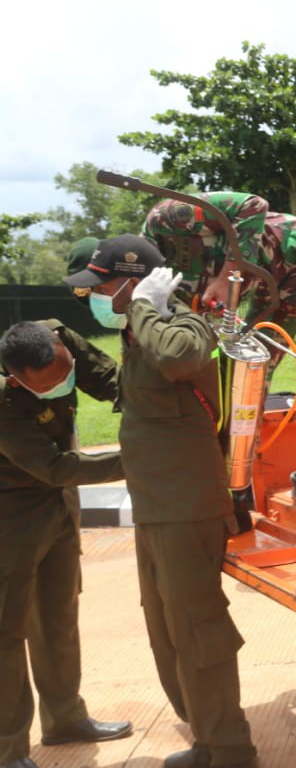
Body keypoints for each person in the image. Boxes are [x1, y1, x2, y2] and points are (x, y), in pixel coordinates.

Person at [64, 235, 257, 768]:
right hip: (155, 506)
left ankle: (232, 750)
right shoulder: (137, 332)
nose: (94, 298)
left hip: (187, 507)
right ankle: (205, 737)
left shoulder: (182, 323)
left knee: (198, 631)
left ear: (135, 282)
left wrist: (148, 305)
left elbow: (178, 358)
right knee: (166, 629)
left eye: (101, 287)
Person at [142, 193, 296, 522]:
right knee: (244, 370)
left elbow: (254, 204)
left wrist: (222, 279)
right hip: (269, 284)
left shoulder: (167, 217)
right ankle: (237, 486)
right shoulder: (153, 290)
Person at [0, 321, 133, 768]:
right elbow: (55, 466)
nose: (64, 384)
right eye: (51, 383)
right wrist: (139, 457)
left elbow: (110, 378)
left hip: (59, 503)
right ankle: (8, 748)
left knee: (58, 616)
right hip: (11, 514)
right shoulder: (1, 398)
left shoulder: (58, 338)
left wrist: (153, 414)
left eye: (65, 371)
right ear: (18, 380)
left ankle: (65, 719)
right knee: (6, 633)